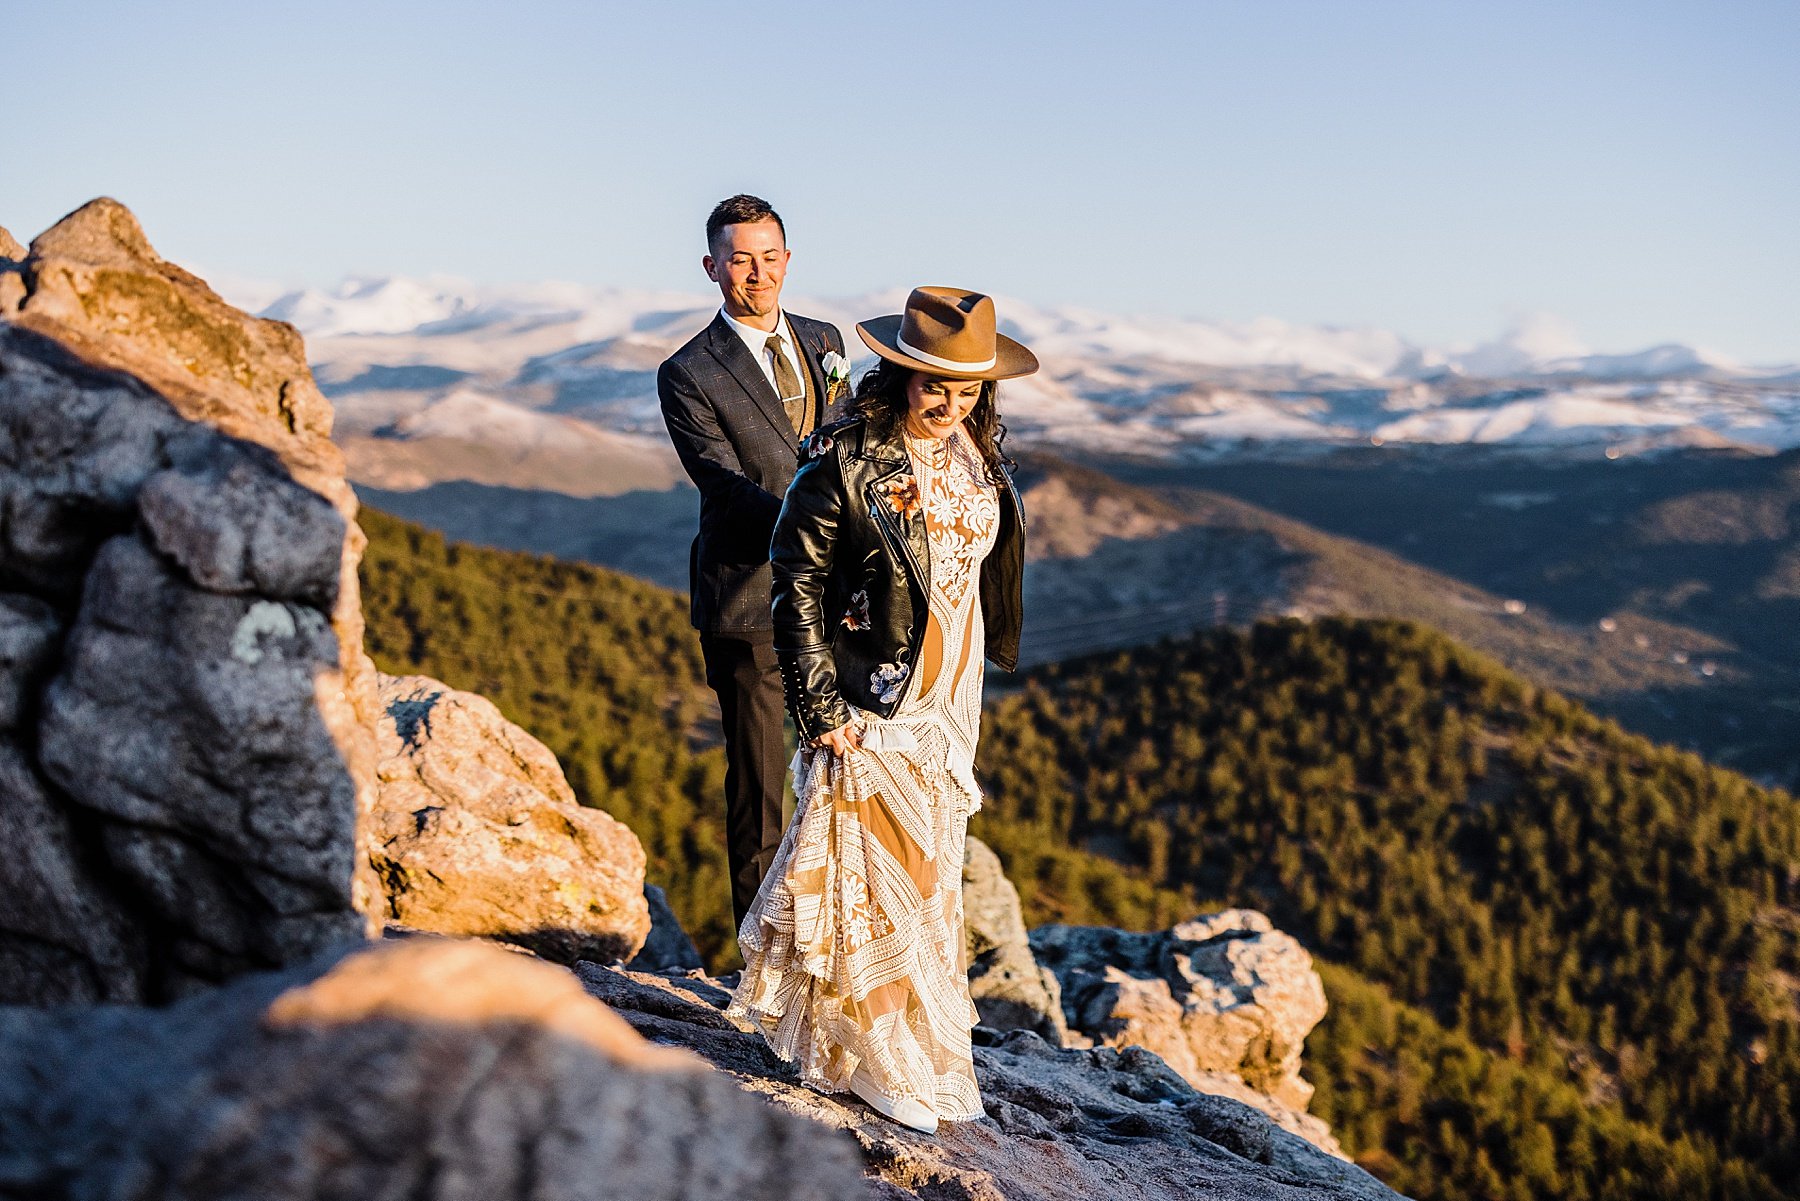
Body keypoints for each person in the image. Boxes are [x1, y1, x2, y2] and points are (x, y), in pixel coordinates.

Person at [728, 286, 1037, 1135]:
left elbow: (970, 574)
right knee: (880, 879)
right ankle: (873, 1057)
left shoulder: (980, 454)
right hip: (874, 699)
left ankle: (919, 1051)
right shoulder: (846, 462)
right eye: (934, 385)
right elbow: (793, 586)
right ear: (899, 373)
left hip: (951, 702)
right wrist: (818, 703)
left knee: (932, 876)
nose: (949, 403)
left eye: (968, 389)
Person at [658, 195, 850, 929]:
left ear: (788, 259)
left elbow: (846, 446)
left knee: (842, 779)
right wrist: (822, 537)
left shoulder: (825, 339)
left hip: (838, 605)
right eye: (740, 259)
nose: (757, 273)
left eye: (769, 257)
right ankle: (760, 964)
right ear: (712, 268)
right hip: (748, 600)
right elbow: (724, 486)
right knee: (761, 791)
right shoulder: (688, 371)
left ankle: (834, 945)